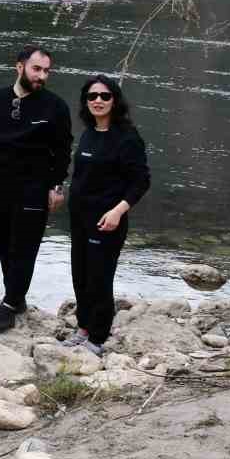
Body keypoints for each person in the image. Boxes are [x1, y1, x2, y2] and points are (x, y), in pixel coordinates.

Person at [0, 46, 74, 331]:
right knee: (1, 244)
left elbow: (63, 150)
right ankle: (16, 297)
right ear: (19, 67)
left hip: (34, 187)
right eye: (36, 69)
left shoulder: (55, 107)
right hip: (0, 184)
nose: (41, 76)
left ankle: (9, 305)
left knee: (23, 247)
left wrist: (56, 185)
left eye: (46, 71)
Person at [64, 75, 150, 356]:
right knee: (80, 274)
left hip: (108, 220)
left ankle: (98, 337)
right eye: (92, 96)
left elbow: (140, 181)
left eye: (104, 96)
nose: (98, 101)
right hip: (80, 218)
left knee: (100, 277)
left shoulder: (127, 137)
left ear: (115, 100)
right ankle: (84, 328)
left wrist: (117, 211)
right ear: (85, 102)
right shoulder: (89, 132)